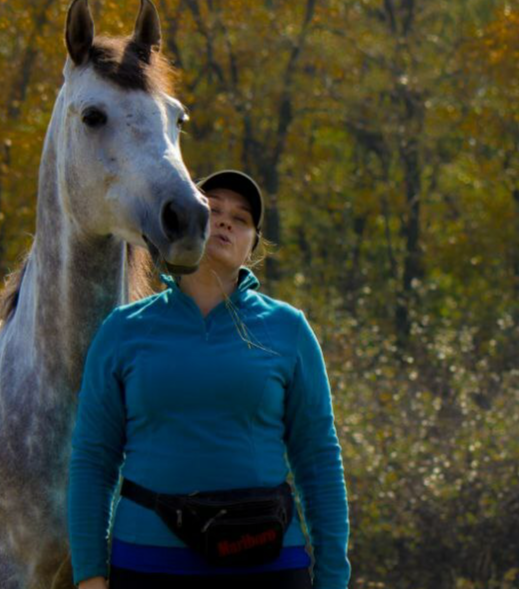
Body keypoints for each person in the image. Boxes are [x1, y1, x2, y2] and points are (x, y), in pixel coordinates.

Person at [67, 170, 350, 589]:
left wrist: (332, 579)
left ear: (252, 243)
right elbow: (93, 459)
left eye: (241, 218)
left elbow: (318, 460)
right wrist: (89, 574)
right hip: (148, 564)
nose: (225, 221)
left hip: (268, 563)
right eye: (212, 209)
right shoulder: (123, 330)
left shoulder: (287, 329)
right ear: (184, 224)